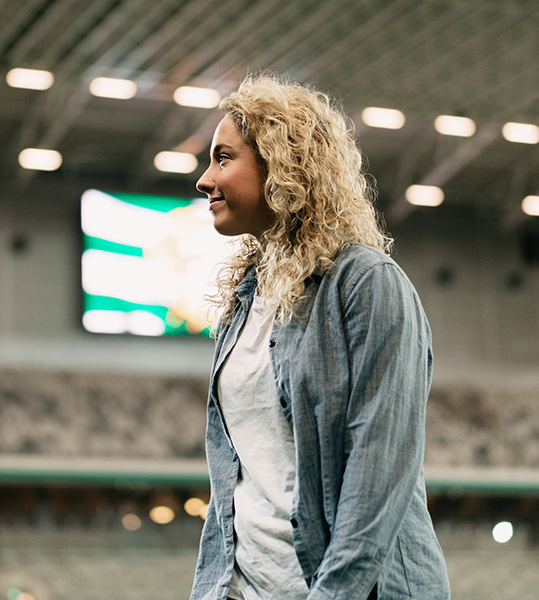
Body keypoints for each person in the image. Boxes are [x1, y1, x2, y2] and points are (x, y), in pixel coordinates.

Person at [189, 74, 450, 600]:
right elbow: (235, 487)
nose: (203, 179)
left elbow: (379, 470)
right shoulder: (243, 302)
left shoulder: (367, 283)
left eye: (223, 158)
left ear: (280, 165)